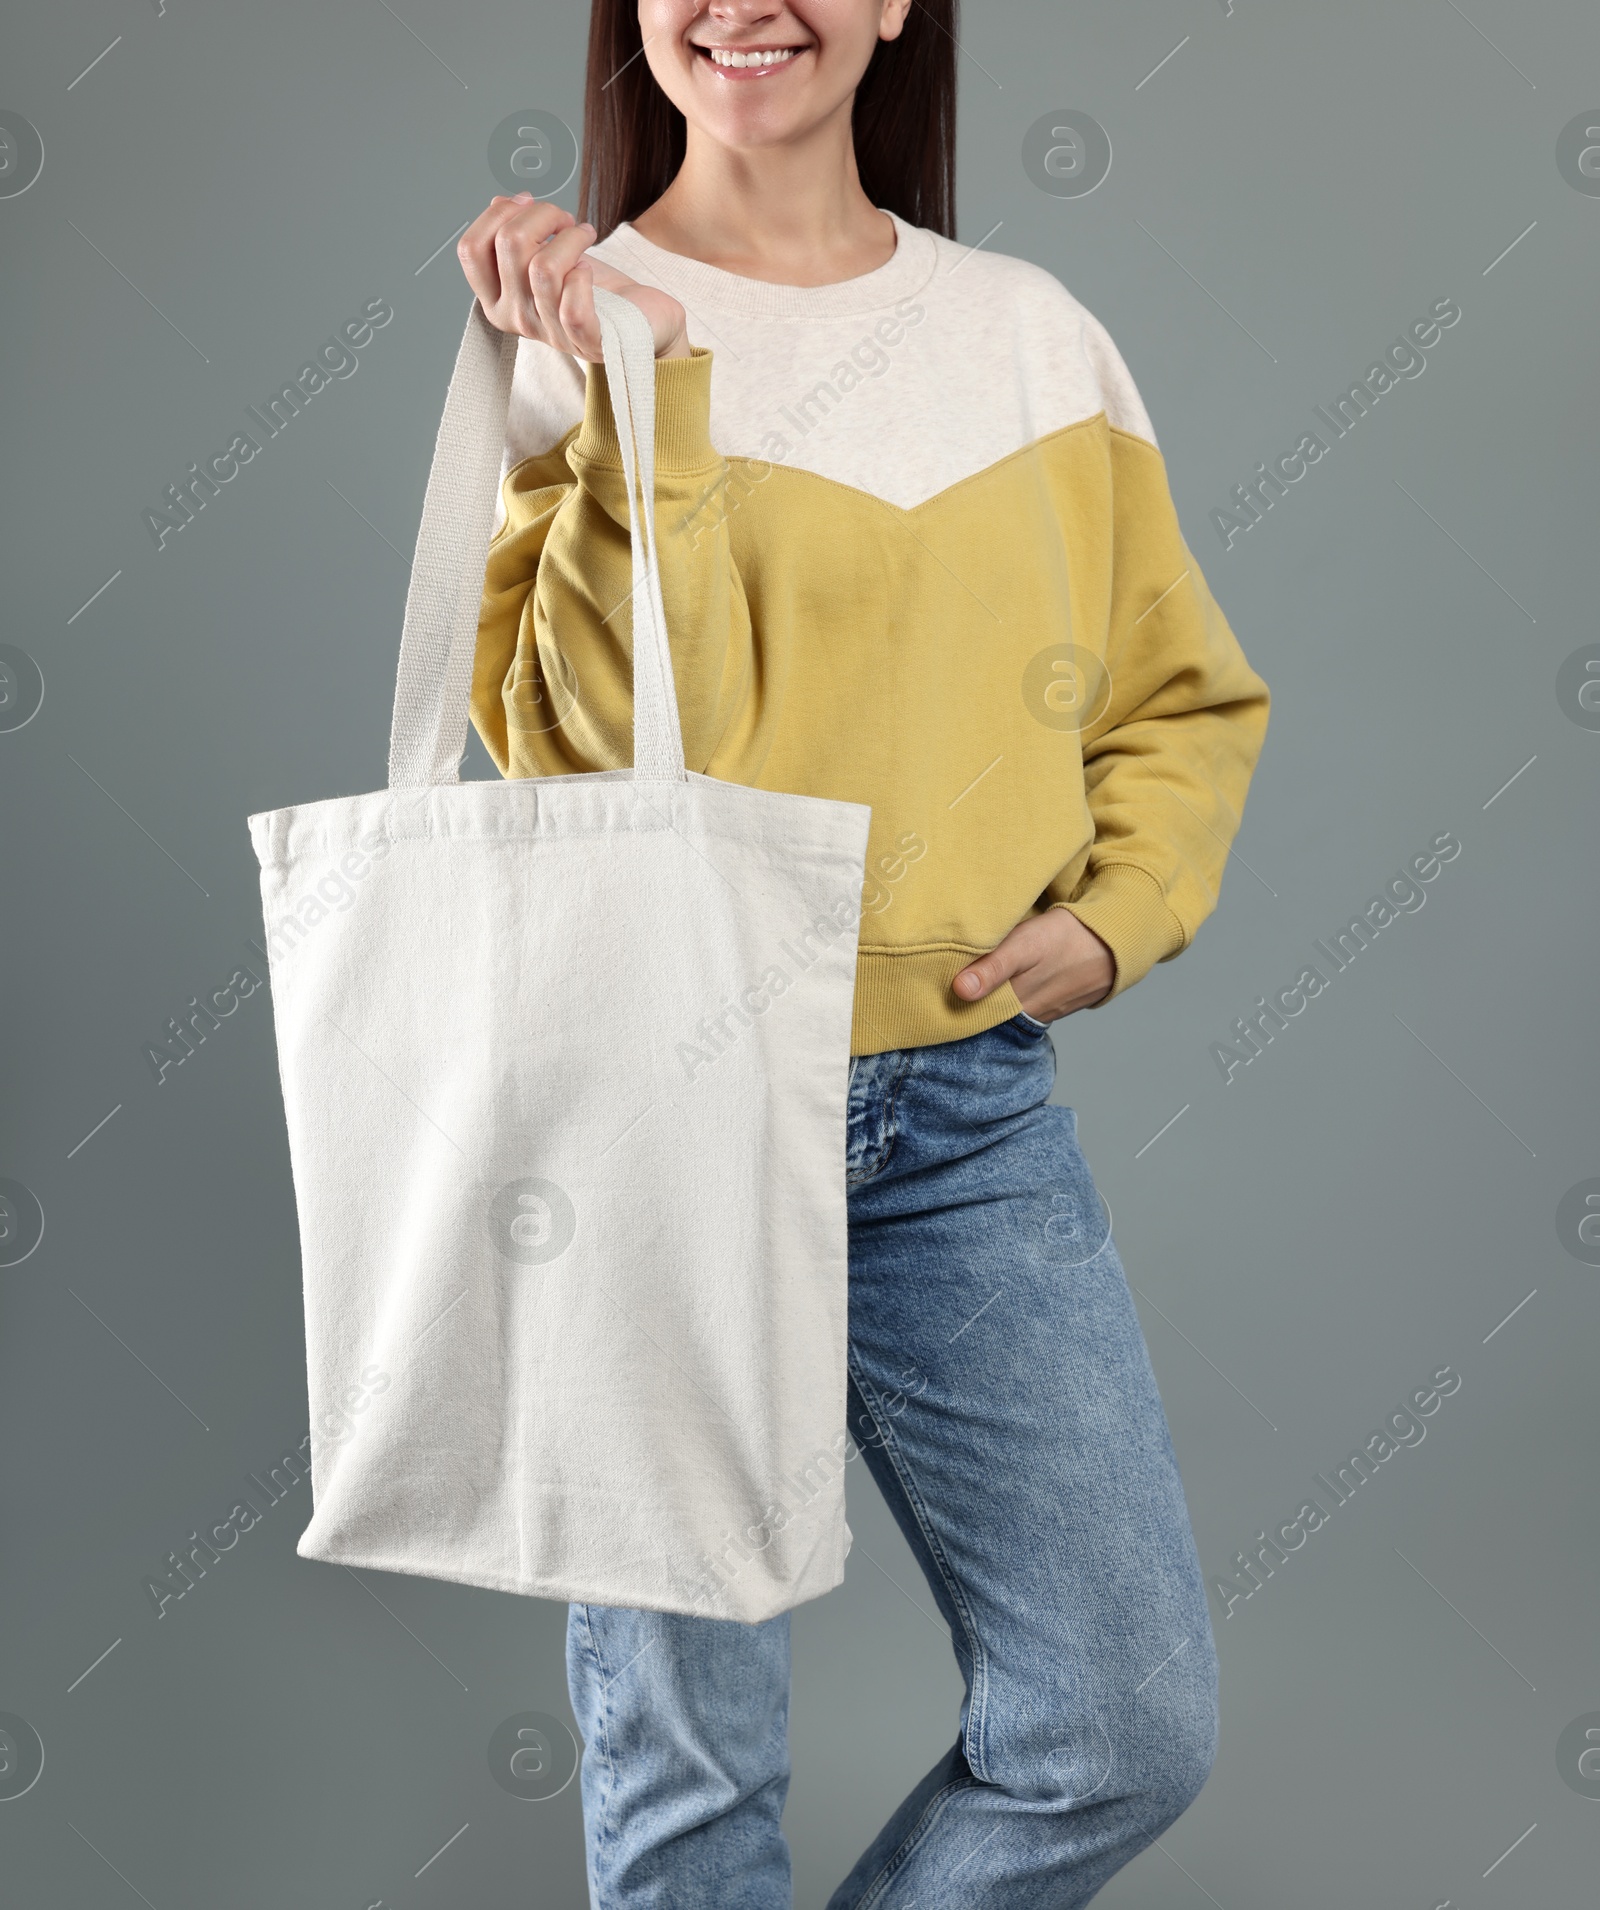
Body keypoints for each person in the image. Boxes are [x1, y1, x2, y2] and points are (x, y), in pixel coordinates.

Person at [458, 2, 1269, 1903]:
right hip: (663, 1110)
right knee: (693, 1784)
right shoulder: (579, 324)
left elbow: (1180, 694)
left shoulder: (1032, 339)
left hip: (964, 1121)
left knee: (1122, 1718)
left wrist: (1120, 914)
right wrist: (624, 396)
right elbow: (571, 749)